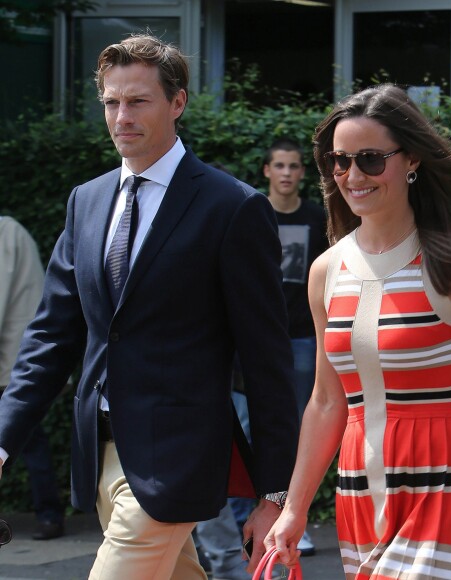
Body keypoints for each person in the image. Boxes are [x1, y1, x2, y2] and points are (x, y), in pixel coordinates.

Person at [0, 34, 299, 580]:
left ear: (177, 102)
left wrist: (276, 492)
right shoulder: (86, 201)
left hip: (180, 457)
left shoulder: (232, 208)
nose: (122, 116)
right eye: (112, 102)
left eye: (138, 101)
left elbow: (267, 363)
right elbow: (51, 338)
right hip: (101, 452)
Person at [266, 83, 451, 578]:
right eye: (339, 161)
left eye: (369, 159)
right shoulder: (326, 271)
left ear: (411, 162)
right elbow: (325, 400)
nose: (352, 175)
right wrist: (293, 506)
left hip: (443, 482)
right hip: (359, 488)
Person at [263, 138, 328, 557]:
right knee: (252, 427)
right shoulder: (253, 213)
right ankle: (248, 517)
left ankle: (294, 515)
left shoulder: (316, 219)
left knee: (304, 430)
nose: (287, 172)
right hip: (260, 340)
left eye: (294, 166)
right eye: (279, 166)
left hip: (305, 338)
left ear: (303, 172)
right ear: (267, 171)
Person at [0, 216, 65, 541]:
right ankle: (50, 515)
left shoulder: (5, 233)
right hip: (21, 362)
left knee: (19, 440)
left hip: (12, 364)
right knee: (31, 442)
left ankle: (50, 514)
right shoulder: (14, 231)